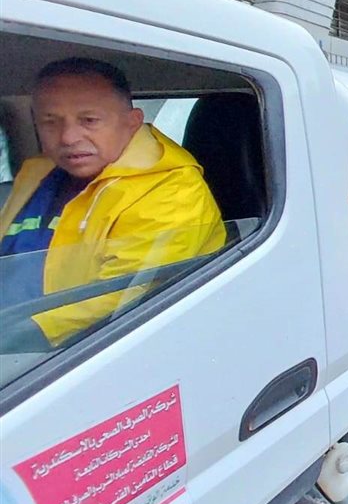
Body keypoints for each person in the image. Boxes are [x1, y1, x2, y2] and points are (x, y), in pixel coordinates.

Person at [0, 58, 225, 351]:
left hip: (77, 353)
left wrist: (16, 335)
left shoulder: (173, 191)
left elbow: (120, 298)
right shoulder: (38, 172)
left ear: (132, 123)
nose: (68, 137)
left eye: (89, 121)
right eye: (50, 122)